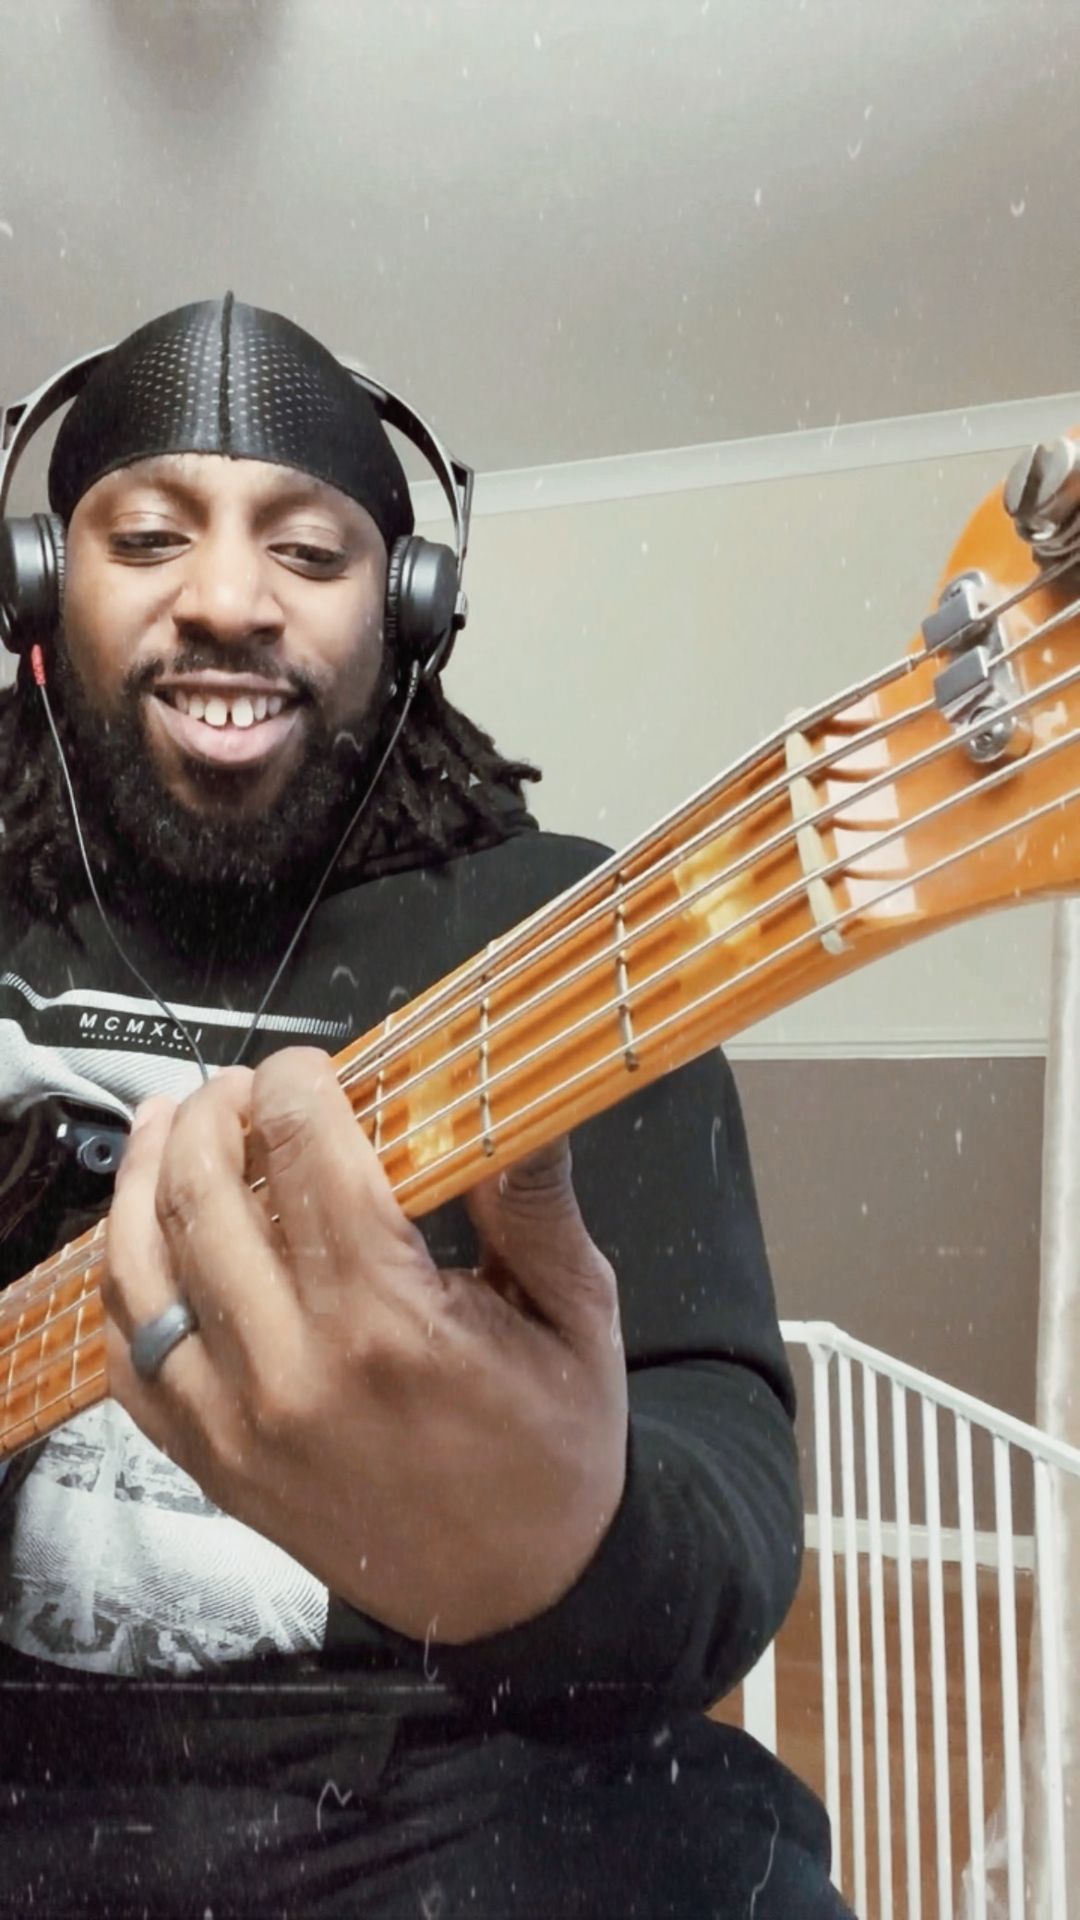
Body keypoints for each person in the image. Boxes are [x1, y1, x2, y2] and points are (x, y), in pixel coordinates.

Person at [0, 297, 851, 1918]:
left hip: (439, 1773)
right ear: (38, 590)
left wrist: (566, 1547)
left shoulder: (573, 935)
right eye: (152, 537)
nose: (227, 599)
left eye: (310, 553)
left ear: (410, 611)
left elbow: (727, 1486)